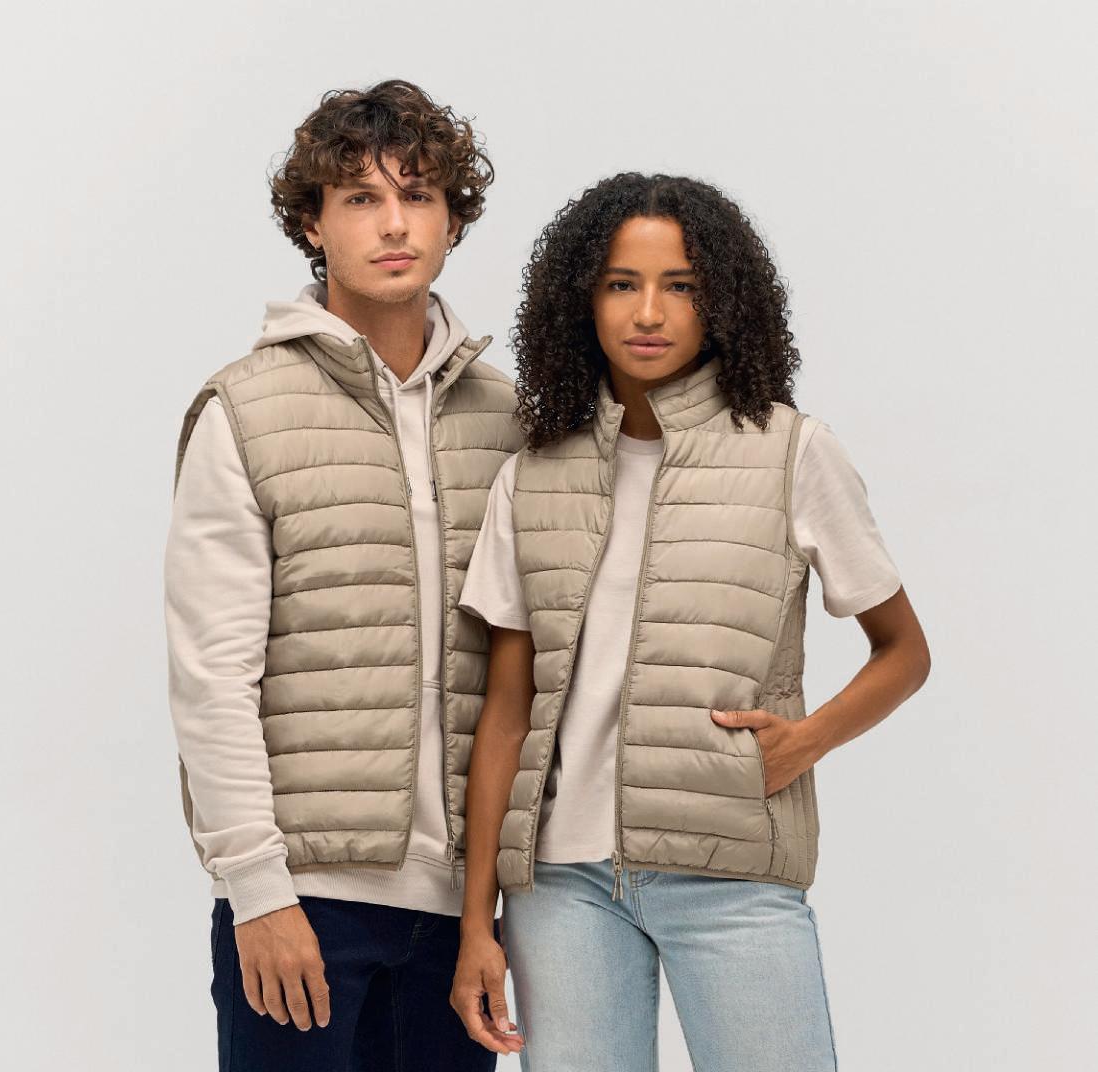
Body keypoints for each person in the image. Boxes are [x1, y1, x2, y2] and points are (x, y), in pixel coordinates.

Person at [449, 172, 931, 1070]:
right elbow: (506, 712)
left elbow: (902, 652)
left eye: (680, 286)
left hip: (731, 876)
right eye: (621, 284)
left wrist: (806, 740)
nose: (649, 312)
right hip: (559, 887)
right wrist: (478, 922)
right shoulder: (533, 474)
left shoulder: (790, 451)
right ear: (581, 300)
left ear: (722, 303)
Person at [163, 79, 525, 1071]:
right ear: (312, 225)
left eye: (418, 195)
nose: (394, 223)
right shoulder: (245, 411)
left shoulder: (508, 418)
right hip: (304, 901)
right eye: (361, 197)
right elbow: (211, 676)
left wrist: (497, 903)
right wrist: (257, 890)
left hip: (462, 917)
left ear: (454, 220)